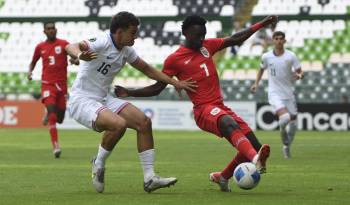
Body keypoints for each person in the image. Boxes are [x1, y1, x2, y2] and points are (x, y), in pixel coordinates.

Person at [114, 15, 278, 192]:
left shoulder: (207, 46)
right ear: (185, 33)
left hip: (220, 107)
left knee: (253, 145)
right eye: (197, 35)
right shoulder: (174, 59)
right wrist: (130, 92)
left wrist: (262, 24)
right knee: (229, 124)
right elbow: (157, 88)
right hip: (203, 110)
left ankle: (222, 177)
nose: (201, 39)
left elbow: (235, 38)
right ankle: (256, 160)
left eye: (203, 35)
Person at [64, 12, 197, 193]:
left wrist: (176, 83)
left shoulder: (127, 51)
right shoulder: (102, 41)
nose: (136, 36)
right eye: (133, 32)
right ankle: (99, 163)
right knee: (119, 124)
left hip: (103, 97)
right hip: (82, 99)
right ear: (119, 32)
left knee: (143, 122)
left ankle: (150, 178)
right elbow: (70, 46)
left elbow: (148, 69)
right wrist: (79, 55)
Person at [28, 22, 79, 158]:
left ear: (56, 30)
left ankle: (49, 113)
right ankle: (56, 146)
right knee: (52, 114)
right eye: (48, 29)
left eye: (53, 28)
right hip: (47, 84)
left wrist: (75, 60)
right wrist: (30, 72)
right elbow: (33, 61)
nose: (51, 30)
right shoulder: (40, 47)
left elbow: (75, 58)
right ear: (44, 32)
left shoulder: (63, 44)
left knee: (60, 118)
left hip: (61, 86)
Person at [250, 31, 304, 159]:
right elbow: (261, 70)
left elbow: (300, 71)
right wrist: (256, 84)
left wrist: (300, 75)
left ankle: (286, 146)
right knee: (285, 118)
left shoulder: (291, 56)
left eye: (281, 39)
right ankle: (281, 129)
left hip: (289, 94)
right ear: (273, 40)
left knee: (293, 126)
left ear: (284, 41)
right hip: (274, 94)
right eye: (276, 38)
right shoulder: (266, 57)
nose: (279, 41)